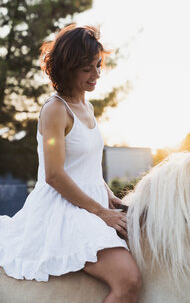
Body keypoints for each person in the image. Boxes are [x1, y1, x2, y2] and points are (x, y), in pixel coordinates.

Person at [0, 24, 142, 303]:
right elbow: (54, 175)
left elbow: (85, 164)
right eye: (87, 69)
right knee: (129, 281)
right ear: (67, 67)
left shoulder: (86, 106)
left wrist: (108, 193)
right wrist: (101, 212)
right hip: (62, 208)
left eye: (98, 65)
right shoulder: (55, 110)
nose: (96, 75)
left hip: (91, 202)